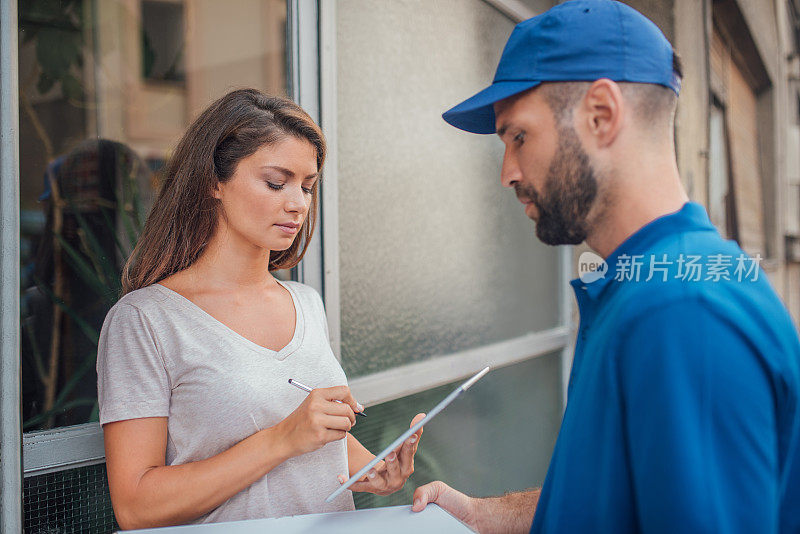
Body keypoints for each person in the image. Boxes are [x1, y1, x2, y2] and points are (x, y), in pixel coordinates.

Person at [411, 1, 800, 533]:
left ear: (601, 114)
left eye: (518, 136)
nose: (507, 172)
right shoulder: (648, 284)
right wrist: (484, 516)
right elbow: (618, 497)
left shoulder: (682, 313)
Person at [96, 89, 424, 530]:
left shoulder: (306, 304)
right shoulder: (145, 321)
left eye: (307, 187)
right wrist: (282, 439)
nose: (298, 204)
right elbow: (135, 506)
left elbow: (316, 441)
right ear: (214, 180)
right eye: (276, 183)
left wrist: (374, 471)